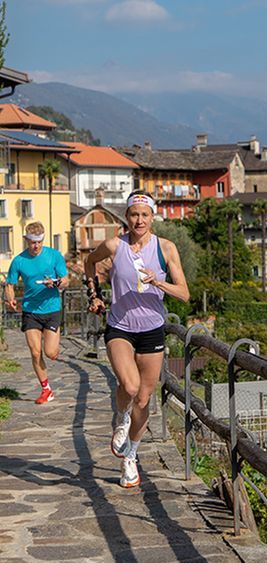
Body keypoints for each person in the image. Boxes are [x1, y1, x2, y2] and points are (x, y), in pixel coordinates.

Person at [84, 191, 189, 489]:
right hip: (120, 327)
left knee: (144, 398)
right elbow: (89, 262)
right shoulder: (114, 246)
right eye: (134, 214)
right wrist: (94, 294)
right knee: (129, 387)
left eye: (144, 215)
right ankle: (121, 416)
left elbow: (184, 293)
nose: (139, 220)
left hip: (152, 329)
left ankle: (130, 456)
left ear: (152, 217)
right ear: (126, 217)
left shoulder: (166, 248)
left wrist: (159, 282)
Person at [5, 221, 69, 404]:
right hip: (30, 311)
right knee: (35, 352)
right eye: (33, 242)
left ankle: (54, 346)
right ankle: (46, 389)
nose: (36, 246)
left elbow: (65, 280)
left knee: (50, 352)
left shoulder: (54, 256)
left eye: (39, 242)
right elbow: (10, 284)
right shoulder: (19, 260)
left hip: (52, 309)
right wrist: (11, 299)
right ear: (26, 240)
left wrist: (55, 283)